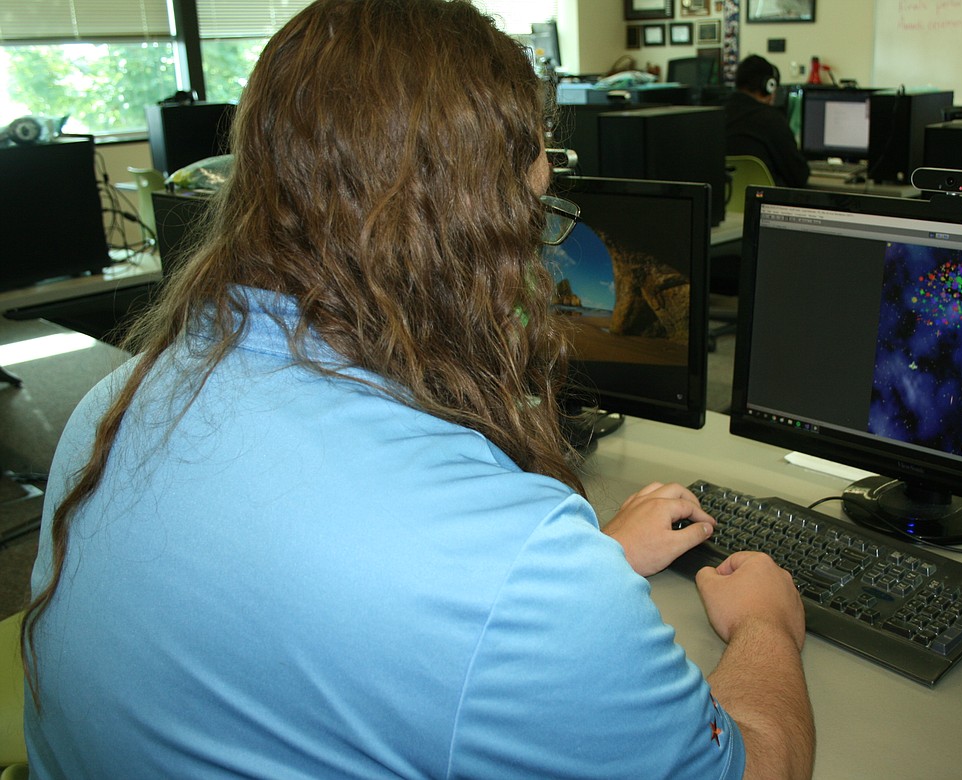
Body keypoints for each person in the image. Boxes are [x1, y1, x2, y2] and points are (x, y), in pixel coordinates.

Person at [21, 1, 814, 777]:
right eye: (530, 219)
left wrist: (576, 571)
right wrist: (766, 628)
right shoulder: (501, 559)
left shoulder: (116, 403)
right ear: (469, 237)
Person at [725, 55, 810, 188]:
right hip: (761, 205)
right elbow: (799, 176)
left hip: (722, 204)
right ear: (769, 86)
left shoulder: (714, 115)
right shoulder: (772, 119)